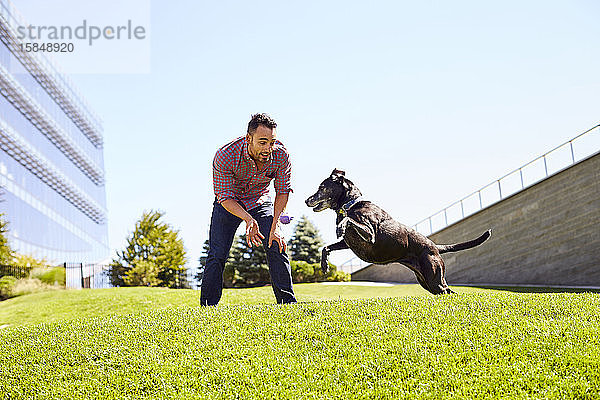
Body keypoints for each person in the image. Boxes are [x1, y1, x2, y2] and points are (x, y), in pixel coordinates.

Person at [200, 113, 297, 306]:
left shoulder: (281, 155)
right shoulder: (225, 156)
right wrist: (248, 219)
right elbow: (225, 197)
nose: (268, 148)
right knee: (217, 253)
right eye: (262, 142)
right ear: (248, 139)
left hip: (259, 200)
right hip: (230, 204)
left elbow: (283, 191)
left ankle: (288, 303)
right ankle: (207, 308)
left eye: (271, 142)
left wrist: (275, 224)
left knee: (276, 243)